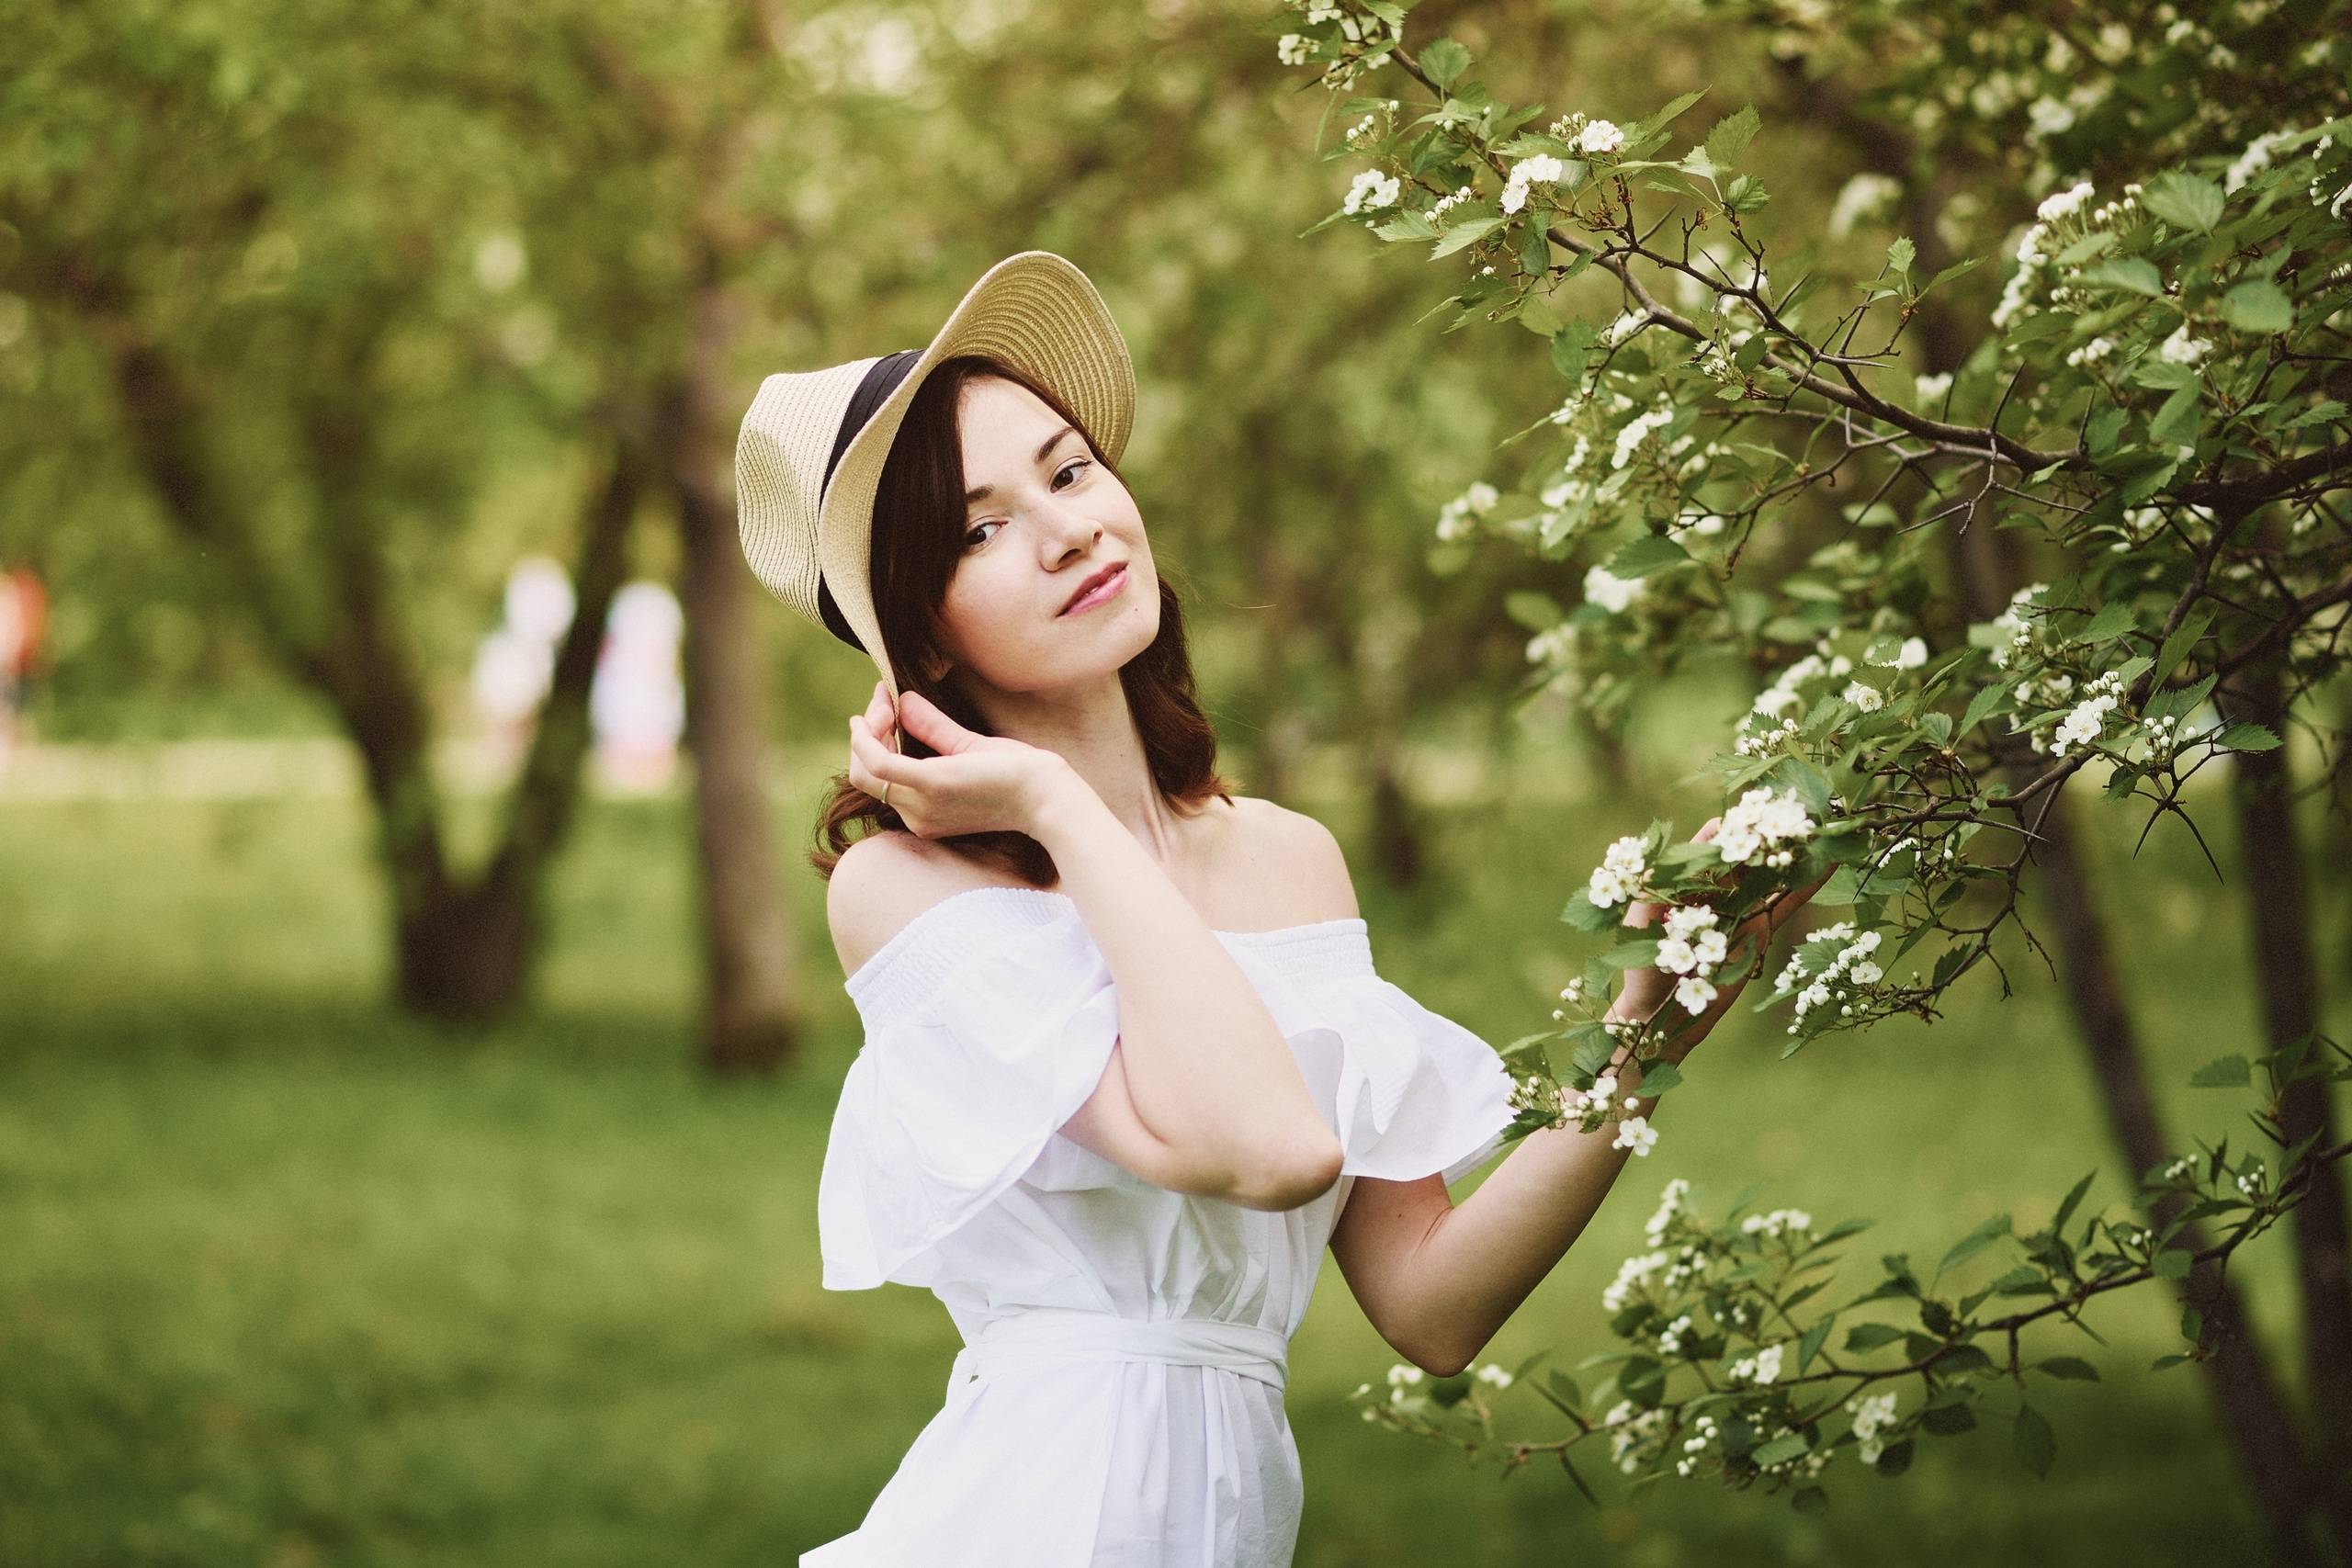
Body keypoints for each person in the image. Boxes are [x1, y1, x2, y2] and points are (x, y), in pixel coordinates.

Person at [734, 253, 1817, 1568]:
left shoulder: (1289, 860)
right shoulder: (906, 889)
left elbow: (1433, 1307)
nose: (1071, 528)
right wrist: (1061, 811)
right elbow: (1270, 1150)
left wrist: (1651, 1035)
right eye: (979, 528)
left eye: (1070, 472)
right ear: (928, 635)